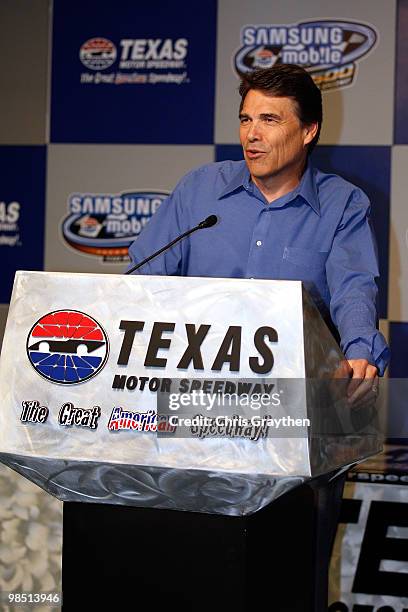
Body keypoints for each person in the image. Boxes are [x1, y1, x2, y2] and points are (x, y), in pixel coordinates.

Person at [128, 64, 389, 393]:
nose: (252, 134)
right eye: (245, 119)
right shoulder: (199, 189)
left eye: (269, 120)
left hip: (293, 396)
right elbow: (142, 281)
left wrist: (360, 354)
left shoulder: (343, 204)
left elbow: (353, 290)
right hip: (192, 391)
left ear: (308, 131)